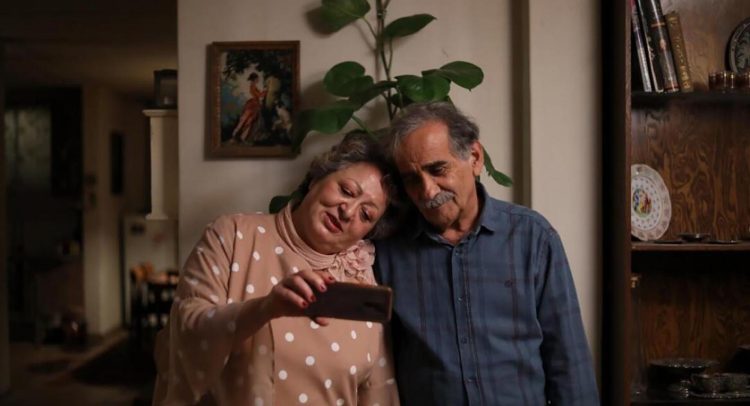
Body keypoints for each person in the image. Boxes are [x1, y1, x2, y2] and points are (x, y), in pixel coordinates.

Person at [374, 102, 599, 405]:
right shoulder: (386, 251)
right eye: (412, 179)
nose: (427, 191)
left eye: (438, 169)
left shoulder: (532, 237)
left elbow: (569, 362)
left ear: (475, 158)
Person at [153, 132, 401, 405]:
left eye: (366, 214)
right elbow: (188, 331)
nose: (348, 211)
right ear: (317, 178)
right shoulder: (232, 235)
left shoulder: (362, 274)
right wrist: (265, 308)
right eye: (346, 191)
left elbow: (378, 388)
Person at [232, 72, 266, 143]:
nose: (258, 80)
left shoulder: (253, 86)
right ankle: (237, 134)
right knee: (246, 120)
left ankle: (242, 136)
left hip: (254, 104)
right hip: (252, 105)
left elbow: (259, 95)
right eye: (257, 79)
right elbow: (259, 95)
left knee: (249, 121)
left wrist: (263, 93)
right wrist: (265, 91)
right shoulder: (252, 86)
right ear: (254, 79)